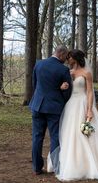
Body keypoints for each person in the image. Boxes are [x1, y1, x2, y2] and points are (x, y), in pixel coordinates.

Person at [47, 49, 98, 181]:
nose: (67, 60)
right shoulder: (68, 72)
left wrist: (89, 109)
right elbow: (62, 87)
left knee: (86, 134)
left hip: (82, 103)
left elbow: (89, 92)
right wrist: (62, 87)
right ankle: (71, 164)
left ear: (75, 59)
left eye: (69, 57)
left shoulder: (86, 73)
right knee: (69, 134)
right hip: (71, 105)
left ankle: (91, 165)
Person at [29, 45, 72, 175]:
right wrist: (61, 99)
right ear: (61, 54)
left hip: (37, 105)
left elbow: (35, 84)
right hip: (54, 107)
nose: (66, 59)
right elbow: (67, 91)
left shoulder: (39, 64)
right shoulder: (63, 69)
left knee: (37, 137)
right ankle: (56, 167)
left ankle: (37, 168)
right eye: (66, 56)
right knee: (55, 137)